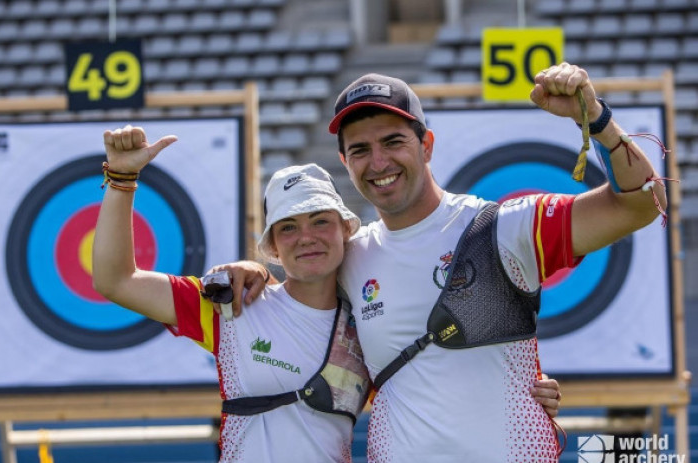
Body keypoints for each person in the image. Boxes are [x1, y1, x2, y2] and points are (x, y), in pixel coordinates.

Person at [224, 62, 669, 462]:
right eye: (360, 150)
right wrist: (257, 270)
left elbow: (640, 204)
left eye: (393, 141)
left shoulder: (504, 227)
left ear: (427, 145)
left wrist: (598, 121)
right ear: (345, 161)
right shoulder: (350, 256)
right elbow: (299, 296)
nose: (378, 162)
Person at [91, 127, 561, 462]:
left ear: (346, 231)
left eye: (320, 221)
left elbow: (440, 379)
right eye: (288, 228)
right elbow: (115, 280)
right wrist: (121, 180)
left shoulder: (370, 328)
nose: (307, 237)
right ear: (272, 247)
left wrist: (526, 392)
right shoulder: (231, 306)